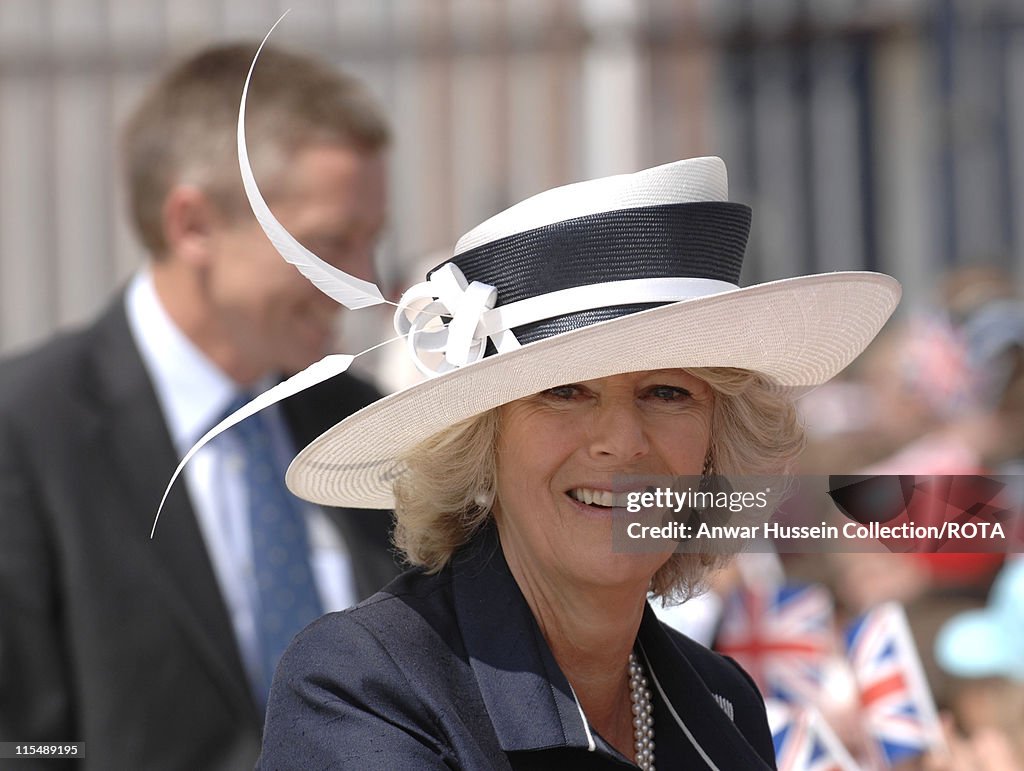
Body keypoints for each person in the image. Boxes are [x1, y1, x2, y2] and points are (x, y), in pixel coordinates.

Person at [250, 155, 901, 768]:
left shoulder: (723, 702)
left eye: (667, 393)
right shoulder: (367, 684)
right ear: (483, 440)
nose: (621, 440)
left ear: (715, 443)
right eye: (565, 392)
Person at [0, 43, 399, 769]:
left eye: (370, 240)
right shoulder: (27, 435)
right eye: (330, 243)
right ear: (193, 225)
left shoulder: (359, 422)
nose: (362, 280)